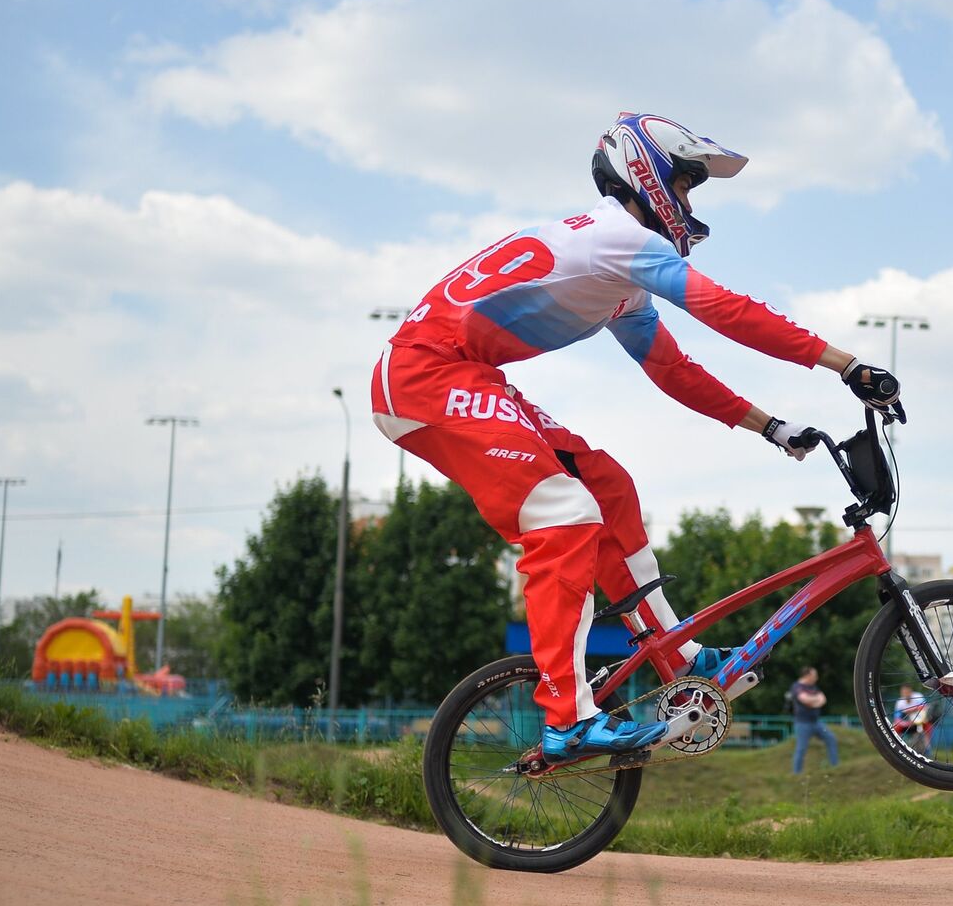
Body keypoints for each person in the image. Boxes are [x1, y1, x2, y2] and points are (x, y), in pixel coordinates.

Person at [370, 112, 903, 763]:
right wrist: (845, 363)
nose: (688, 206)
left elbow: (672, 370)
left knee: (609, 488)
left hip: (460, 375)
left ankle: (675, 653)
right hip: (426, 378)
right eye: (685, 187)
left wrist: (768, 425)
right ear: (645, 175)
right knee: (564, 515)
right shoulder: (619, 240)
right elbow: (727, 310)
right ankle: (567, 719)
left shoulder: (620, 279)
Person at [788, 666, 840, 773]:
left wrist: (813, 702)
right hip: (802, 724)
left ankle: (835, 767)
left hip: (816, 722)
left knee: (831, 739)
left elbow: (823, 699)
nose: (816, 678)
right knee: (801, 749)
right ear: (807, 675)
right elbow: (804, 699)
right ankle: (796, 773)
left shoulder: (813, 687)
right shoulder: (797, 687)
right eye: (814, 675)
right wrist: (815, 700)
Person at [893, 683, 932, 756]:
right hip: (907, 723)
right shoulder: (900, 702)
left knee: (928, 726)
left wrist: (910, 711)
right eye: (904, 692)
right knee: (894, 727)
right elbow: (897, 718)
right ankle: (897, 747)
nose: (906, 694)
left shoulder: (918, 696)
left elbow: (924, 708)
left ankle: (928, 749)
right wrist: (907, 723)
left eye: (907, 692)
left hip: (920, 721)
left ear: (911, 691)